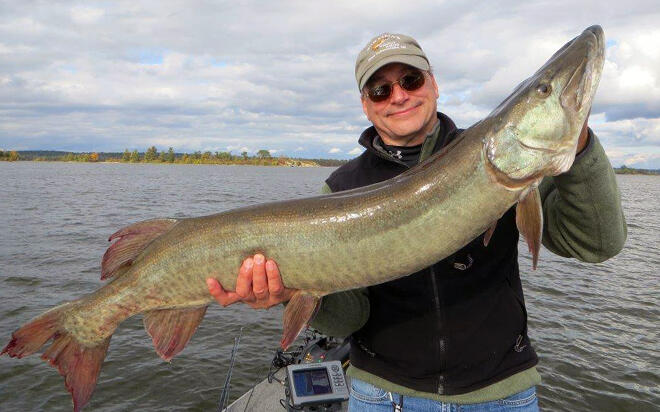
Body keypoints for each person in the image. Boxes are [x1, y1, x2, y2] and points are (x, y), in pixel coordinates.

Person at [206, 33, 626, 411]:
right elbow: (348, 318)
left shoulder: (513, 167)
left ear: (433, 84)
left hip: (501, 394)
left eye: (410, 80)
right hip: (383, 397)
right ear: (366, 104)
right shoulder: (341, 188)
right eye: (380, 88)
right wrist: (287, 291)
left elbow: (596, 244)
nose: (398, 96)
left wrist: (579, 141)